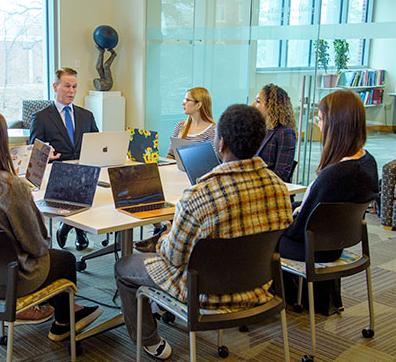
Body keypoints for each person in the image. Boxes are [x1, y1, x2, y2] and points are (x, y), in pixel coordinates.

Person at [115, 104, 293, 360]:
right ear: (261, 141)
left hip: (204, 295)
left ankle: (149, 340)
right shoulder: (279, 188)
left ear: (219, 144)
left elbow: (174, 258)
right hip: (258, 288)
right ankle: (154, 308)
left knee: (125, 265)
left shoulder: (199, 195)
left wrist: (167, 234)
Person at [0, 110, 102, 335]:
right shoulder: (10, 187)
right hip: (7, 280)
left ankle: (62, 310)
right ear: (1, 142)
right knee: (64, 260)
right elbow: (38, 245)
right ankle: (65, 321)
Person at [279, 90, 379, 314]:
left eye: (320, 119)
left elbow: (299, 230)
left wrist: (281, 219)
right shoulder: (367, 161)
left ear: (336, 124)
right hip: (338, 240)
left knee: (256, 237)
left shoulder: (335, 175)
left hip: (313, 248)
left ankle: (263, 303)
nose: (318, 125)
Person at [29, 67, 99, 251]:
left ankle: (68, 226)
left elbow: (97, 143)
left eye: (75, 87)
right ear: (55, 86)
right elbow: (34, 153)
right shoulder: (41, 118)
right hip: (58, 173)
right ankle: (78, 230)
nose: (72, 91)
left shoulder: (86, 115)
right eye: (67, 86)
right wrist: (46, 153)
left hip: (84, 170)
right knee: (75, 190)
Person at [253, 84, 297, 182]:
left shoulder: (285, 133)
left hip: (270, 189)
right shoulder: (262, 130)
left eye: (258, 101)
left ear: (271, 105)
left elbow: (282, 174)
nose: (255, 105)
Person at [165, 87, 216, 158]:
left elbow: (212, 161)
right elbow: (170, 155)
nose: (183, 103)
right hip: (175, 169)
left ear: (198, 105)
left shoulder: (213, 130)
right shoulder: (180, 126)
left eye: (187, 100)